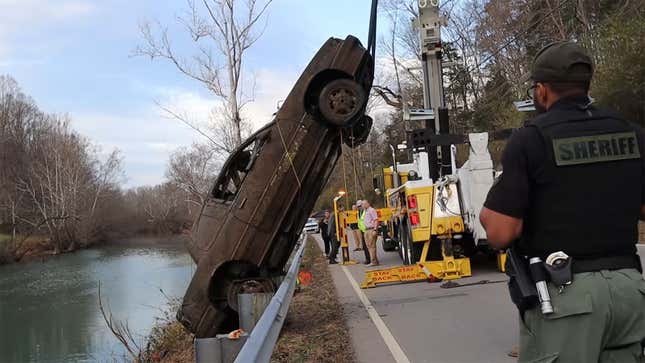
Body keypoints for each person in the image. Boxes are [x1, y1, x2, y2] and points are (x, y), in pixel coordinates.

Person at [480, 41, 645, 362]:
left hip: (567, 294)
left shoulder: (530, 139)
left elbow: (501, 232)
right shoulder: (633, 134)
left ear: (542, 90)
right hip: (630, 291)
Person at [361, 199, 380, 266]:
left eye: (364, 204)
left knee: (372, 246)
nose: (362, 205)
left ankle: (373, 262)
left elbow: (376, 220)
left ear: (367, 204)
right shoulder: (365, 211)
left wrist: (375, 230)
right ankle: (375, 260)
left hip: (371, 229)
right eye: (362, 204)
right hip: (366, 230)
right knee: (369, 246)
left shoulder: (371, 210)